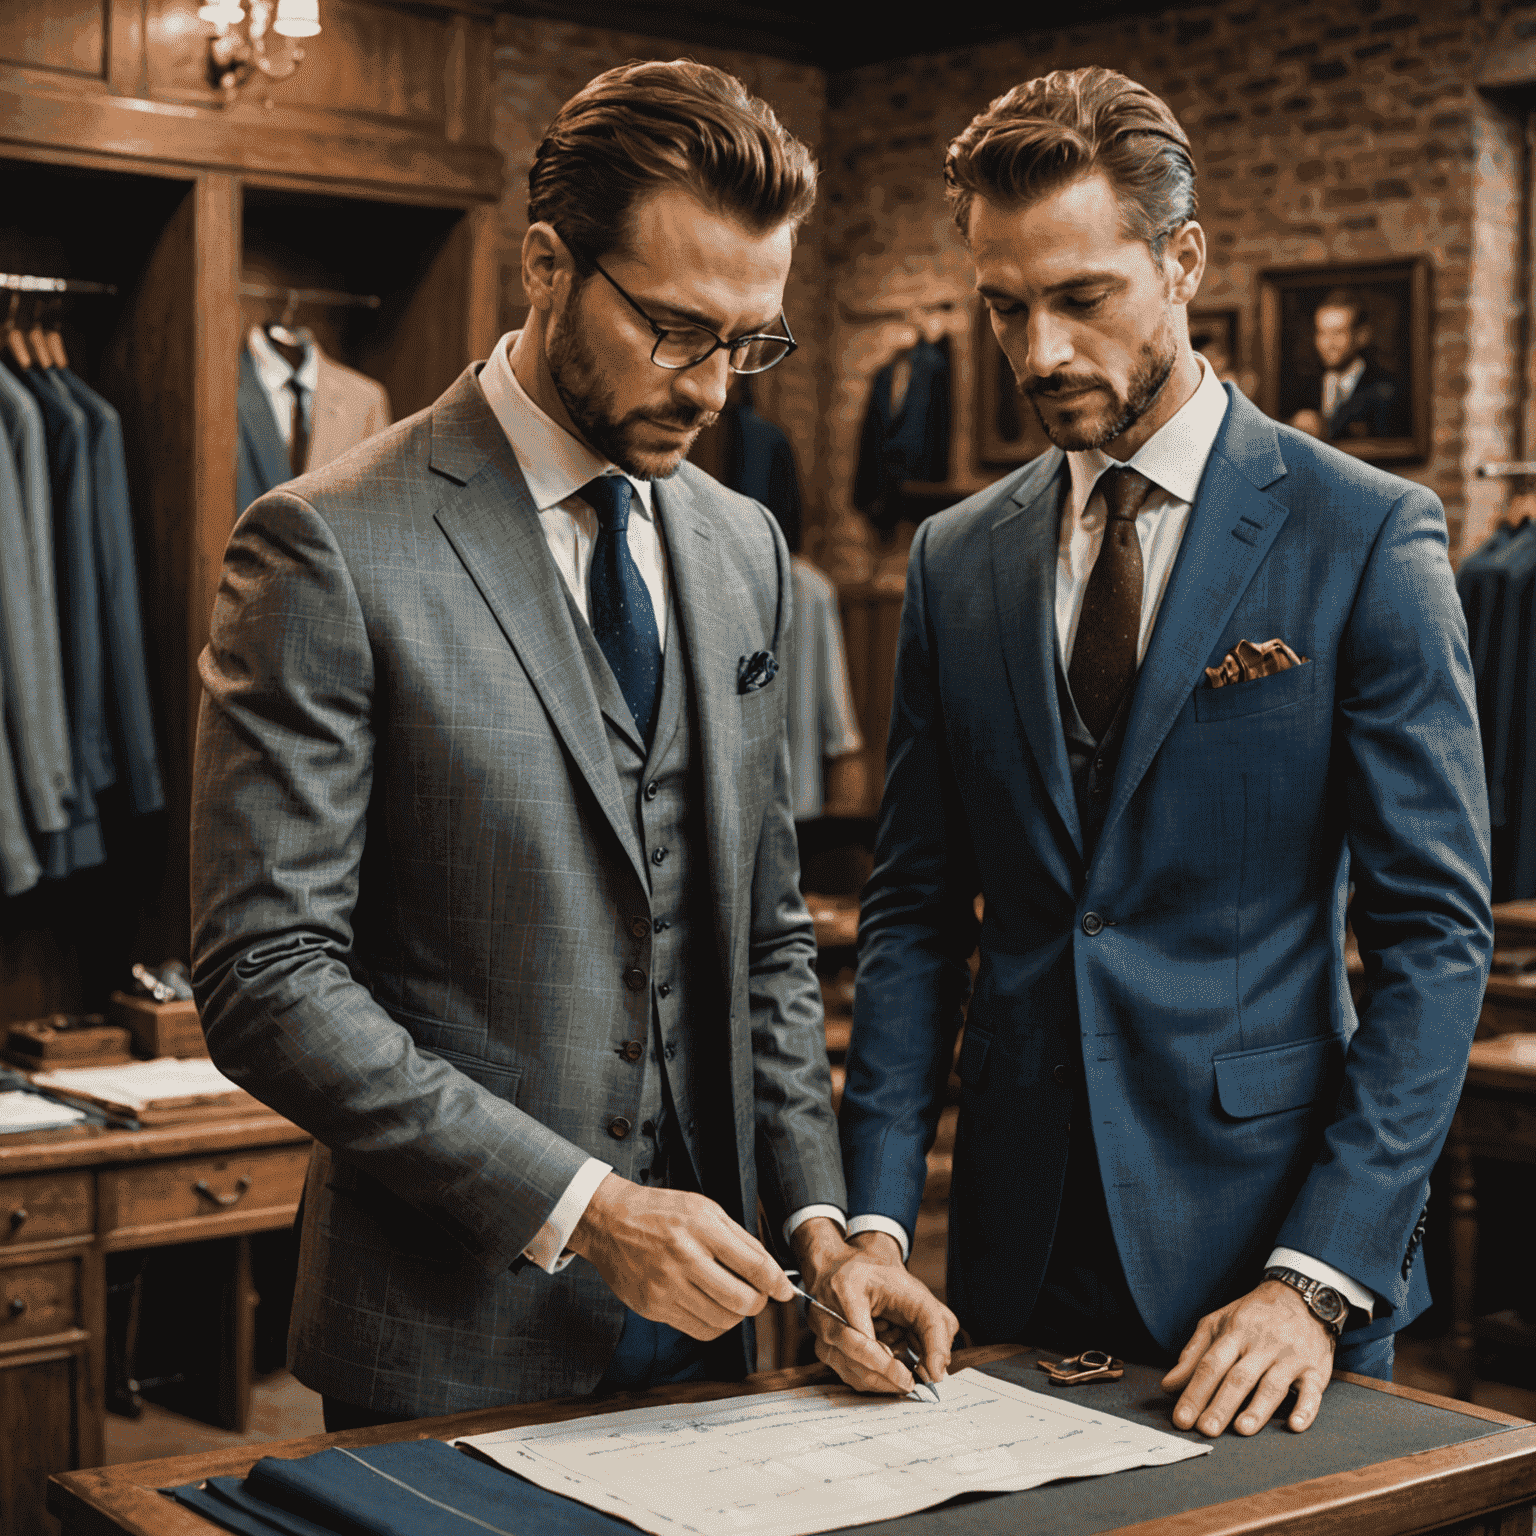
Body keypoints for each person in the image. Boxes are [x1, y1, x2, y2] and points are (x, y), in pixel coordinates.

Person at [190, 58, 955, 1430]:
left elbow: (767, 937)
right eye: (676, 329)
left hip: (722, 1337)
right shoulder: (329, 545)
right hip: (444, 1338)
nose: (718, 386)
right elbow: (266, 974)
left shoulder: (744, 549)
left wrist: (825, 1221)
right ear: (548, 264)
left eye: (751, 339)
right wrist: (585, 1209)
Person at [837, 66, 1491, 1441]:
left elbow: (1434, 935)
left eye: (1083, 298)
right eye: (1005, 305)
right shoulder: (955, 560)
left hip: (1267, 1259)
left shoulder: (1363, 533)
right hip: (1010, 1253)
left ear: (1182, 260)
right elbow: (911, 914)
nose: (1042, 351)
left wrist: (1316, 1280)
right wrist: (880, 1225)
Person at [1309, 289, 1407, 441]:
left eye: (1338, 333)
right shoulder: (1304, 388)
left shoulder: (1384, 390)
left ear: (1362, 336)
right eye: (1322, 333)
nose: (1328, 343)